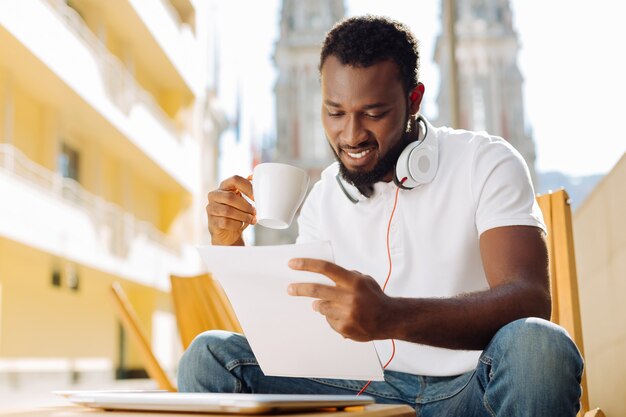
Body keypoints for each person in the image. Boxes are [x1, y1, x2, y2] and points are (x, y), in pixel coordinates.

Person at [178, 15, 583, 416]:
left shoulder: (486, 160)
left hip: (472, 389)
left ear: (414, 100)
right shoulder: (322, 197)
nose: (351, 135)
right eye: (335, 113)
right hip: (364, 394)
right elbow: (295, 338)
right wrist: (231, 245)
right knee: (210, 353)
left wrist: (391, 315)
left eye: (372, 113)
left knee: (539, 345)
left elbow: (528, 299)